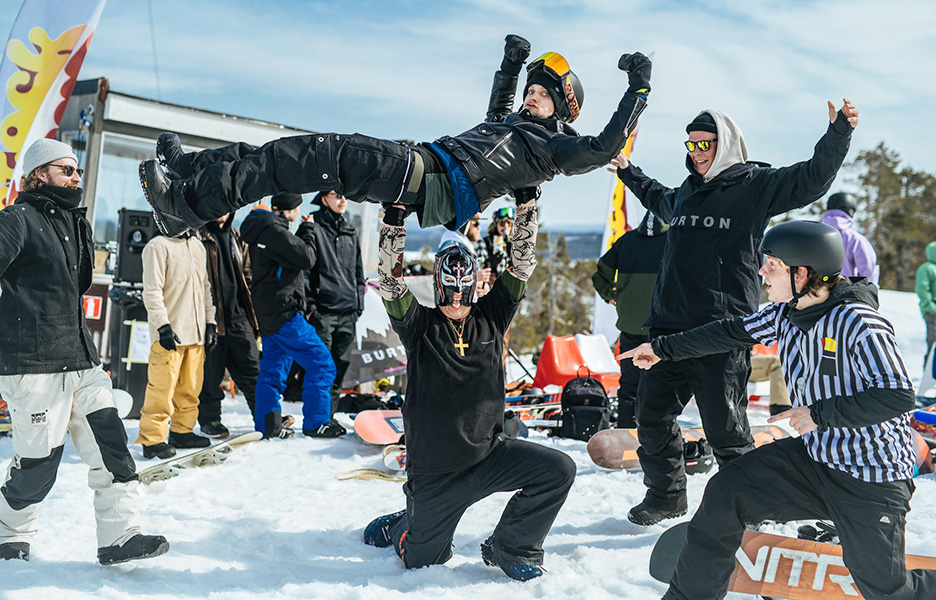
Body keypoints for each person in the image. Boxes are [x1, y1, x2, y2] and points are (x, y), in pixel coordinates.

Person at [621, 221, 936, 600]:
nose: (761, 272)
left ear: (801, 273)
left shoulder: (859, 322)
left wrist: (819, 415)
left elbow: (897, 394)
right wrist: (662, 348)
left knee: (888, 590)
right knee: (727, 490)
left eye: (771, 265)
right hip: (817, 459)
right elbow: (729, 331)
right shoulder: (785, 314)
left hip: (870, 476)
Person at [610, 97, 859, 526]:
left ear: (724, 143)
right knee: (650, 417)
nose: (697, 152)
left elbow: (812, 180)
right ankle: (666, 496)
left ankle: (749, 510)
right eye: (690, 145)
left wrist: (838, 134)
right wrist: (628, 171)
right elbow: (660, 198)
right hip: (668, 329)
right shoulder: (688, 192)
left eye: (705, 143)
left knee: (726, 431)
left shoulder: (754, 185)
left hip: (721, 330)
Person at [138, 36, 652, 238]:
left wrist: (638, 88)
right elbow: (498, 107)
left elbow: (604, 147)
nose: (530, 96)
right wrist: (510, 65)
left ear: (563, 106)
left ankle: (187, 207)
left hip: (421, 173)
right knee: (284, 157)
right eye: (530, 89)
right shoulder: (512, 127)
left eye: (542, 93)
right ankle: (192, 173)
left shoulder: (551, 149)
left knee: (308, 154)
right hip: (417, 168)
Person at [361, 198, 575, 581]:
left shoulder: (491, 316)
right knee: (425, 562)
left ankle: (511, 547)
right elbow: (391, 281)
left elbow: (521, 265)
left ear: (475, 286)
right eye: (449, 289)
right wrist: (394, 217)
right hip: (435, 472)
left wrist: (527, 205)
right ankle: (403, 526)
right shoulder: (418, 325)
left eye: (464, 289)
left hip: (487, 457)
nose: (457, 298)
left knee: (558, 469)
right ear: (438, 286)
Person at [0, 138, 168, 564]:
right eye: (65, 170)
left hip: (81, 360)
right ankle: (7, 533)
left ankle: (119, 537)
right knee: (37, 469)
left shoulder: (75, 222)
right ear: (40, 174)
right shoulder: (16, 219)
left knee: (114, 451)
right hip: (34, 365)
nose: (75, 177)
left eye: (76, 170)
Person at [239, 192, 340, 438]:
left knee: (273, 371)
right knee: (322, 364)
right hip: (284, 313)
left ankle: (268, 426)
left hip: (270, 313)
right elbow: (307, 257)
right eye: (297, 207)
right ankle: (317, 423)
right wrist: (308, 229)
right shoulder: (274, 230)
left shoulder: (262, 229)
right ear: (289, 210)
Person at [282, 191, 365, 422]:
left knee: (339, 368)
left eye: (345, 196)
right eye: (336, 195)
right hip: (323, 313)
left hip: (349, 311)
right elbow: (303, 272)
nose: (343, 200)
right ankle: (317, 420)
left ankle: (328, 417)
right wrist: (310, 307)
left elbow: (358, 272)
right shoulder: (312, 227)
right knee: (320, 368)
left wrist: (359, 304)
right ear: (323, 199)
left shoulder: (350, 229)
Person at [137, 226, 218, 458]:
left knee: (191, 388)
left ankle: (182, 431)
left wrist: (210, 322)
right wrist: (162, 326)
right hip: (170, 333)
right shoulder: (158, 246)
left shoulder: (197, 245)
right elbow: (152, 292)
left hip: (196, 333)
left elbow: (205, 288)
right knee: (161, 389)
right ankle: (152, 439)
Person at [591, 210, 670, 428]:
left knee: (629, 386)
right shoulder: (674, 239)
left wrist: (612, 295)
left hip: (631, 326)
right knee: (663, 385)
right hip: (663, 327)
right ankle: (659, 434)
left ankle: (626, 432)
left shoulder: (626, 240)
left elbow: (600, 274)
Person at [196, 212, 260, 437]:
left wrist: (254, 315)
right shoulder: (198, 236)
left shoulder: (236, 235)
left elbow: (248, 275)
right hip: (210, 319)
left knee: (253, 371)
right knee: (210, 375)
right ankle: (210, 420)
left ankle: (264, 417)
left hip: (239, 317)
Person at [822, 191, 879, 284]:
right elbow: (869, 271)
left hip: (814, 295)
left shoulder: (816, 235)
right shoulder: (854, 239)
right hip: (844, 294)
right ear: (851, 211)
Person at [748, 345, 792, 415]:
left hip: (750, 355)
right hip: (735, 359)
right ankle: (781, 409)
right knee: (778, 363)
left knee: (788, 362)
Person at [916, 241, 936, 364]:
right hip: (932, 311)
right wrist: (930, 307)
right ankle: (929, 376)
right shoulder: (927, 268)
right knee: (933, 343)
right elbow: (922, 289)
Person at [482, 207, 515, 281]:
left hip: (507, 284)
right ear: (496, 224)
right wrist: (491, 261)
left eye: (509, 223)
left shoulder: (512, 243)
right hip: (491, 284)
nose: (506, 227)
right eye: (502, 223)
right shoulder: (486, 241)